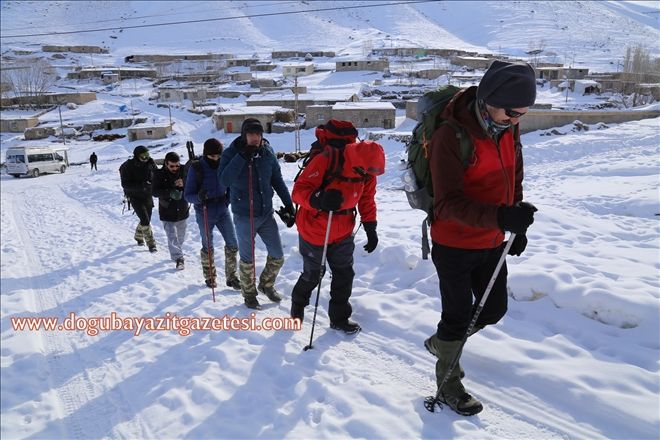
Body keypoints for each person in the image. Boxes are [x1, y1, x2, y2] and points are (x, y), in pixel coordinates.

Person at [424, 60, 538, 416]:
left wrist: (514, 218)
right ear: (489, 100)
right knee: (457, 316)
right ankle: (449, 386)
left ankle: (443, 344)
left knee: (493, 309)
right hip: (454, 243)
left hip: (491, 240)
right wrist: (500, 216)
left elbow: (513, 174)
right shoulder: (451, 136)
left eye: (523, 114)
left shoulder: (506, 128)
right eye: (511, 112)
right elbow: (446, 203)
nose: (515, 120)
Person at [290, 122, 385, 334]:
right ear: (357, 161)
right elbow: (298, 191)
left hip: (343, 230)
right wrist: (319, 198)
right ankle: (297, 306)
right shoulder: (327, 159)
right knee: (313, 275)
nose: (366, 175)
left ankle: (339, 318)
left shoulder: (366, 171)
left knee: (344, 275)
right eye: (363, 171)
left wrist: (370, 226)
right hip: (314, 228)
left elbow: (367, 199)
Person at [219, 118, 295, 310]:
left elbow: (277, 180)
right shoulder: (231, 153)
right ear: (244, 135)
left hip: (266, 214)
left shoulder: (267, 153)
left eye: (258, 134)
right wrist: (241, 157)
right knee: (247, 260)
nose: (255, 138)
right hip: (244, 215)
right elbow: (224, 180)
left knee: (277, 255)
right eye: (251, 134)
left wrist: (289, 205)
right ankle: (249, 295)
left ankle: (266, 284)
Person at [184, 139, 240, 289]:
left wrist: (227, 200)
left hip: (222, 209)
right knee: (208, 245)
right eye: (212, 156)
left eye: (218, 156)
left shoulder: (224, 164)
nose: (216, 159)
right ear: (205, 154)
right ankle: (210, 276)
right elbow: (187, 195)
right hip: (204, 211)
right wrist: (199, 197)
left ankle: (232, 277)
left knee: (232, 244)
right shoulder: (196, 168)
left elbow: (230, 185)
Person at [153, 152, 189, 270]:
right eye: (172, 166)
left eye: (177, 165)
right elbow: (154, 192)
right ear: (166, 164)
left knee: (181, 237)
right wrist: (170, 192)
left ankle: (177, 251)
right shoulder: (158, 174)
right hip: (167, 210)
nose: (175, 168)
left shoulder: (184, 170)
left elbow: (193, 184)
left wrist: (184, 183)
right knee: (172, 236)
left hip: (182, 209)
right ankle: (179, 259)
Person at [119, 145, 158, 253]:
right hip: (135, 196)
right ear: (136, 156)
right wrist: (142, 186)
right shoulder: (128, 166)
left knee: (146, 219)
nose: (146, 158)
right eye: (143, 156)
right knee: (145, 220)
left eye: (147, 155)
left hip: (147, 195)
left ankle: (138, 236)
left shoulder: (151, 163)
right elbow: (125, 184)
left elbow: (157, 175)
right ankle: (151, 244)